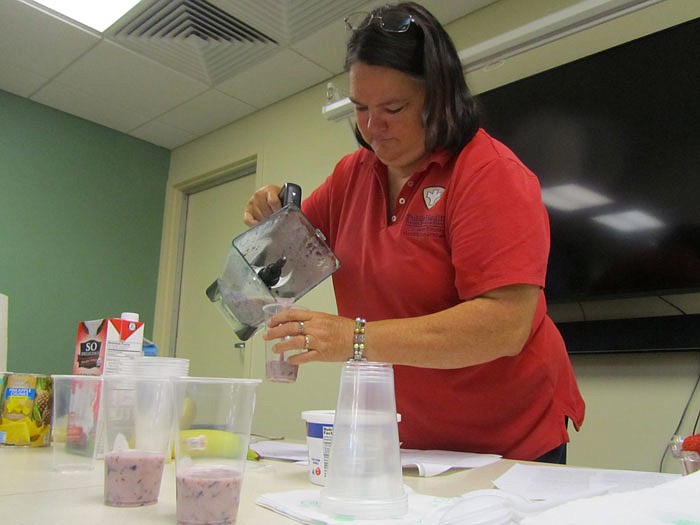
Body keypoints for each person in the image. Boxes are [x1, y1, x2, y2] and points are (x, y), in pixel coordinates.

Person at [243, 2, 585, 463]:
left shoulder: (489, 174)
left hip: (510, 443)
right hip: (409, 440)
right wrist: (268, 219)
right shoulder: (353, 176)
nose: (372, 127)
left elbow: (505, 325)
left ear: (440, 98)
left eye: (394, 108)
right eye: (360, 107)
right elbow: (279, 261)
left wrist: (353, 338)